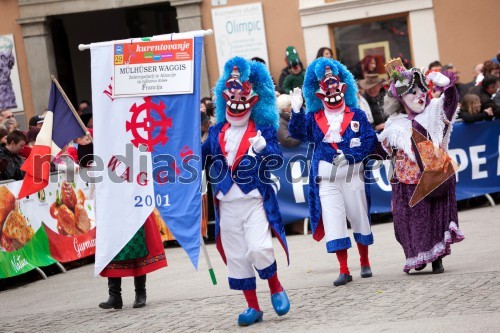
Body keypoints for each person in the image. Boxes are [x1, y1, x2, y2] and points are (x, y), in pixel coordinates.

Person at [203, 57, 290, 326]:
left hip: (254, 200)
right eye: (232, 93)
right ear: (223, 98)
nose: (237, 99)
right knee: (237, 256)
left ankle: (275, 286)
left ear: (255, 99)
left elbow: (276, 159)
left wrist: (264, 147)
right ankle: (253, 307)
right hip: (226, 203)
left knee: (259, 248)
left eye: (244, 93)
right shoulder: (216, 130)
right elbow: (200, 157)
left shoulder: (262, 128)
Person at [289, 58, 377, 287]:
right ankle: (344, 269)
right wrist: (297, 110)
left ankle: (365, 261)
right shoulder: (313, 118)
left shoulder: (356, 115)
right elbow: (297, 133)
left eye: (335, 87)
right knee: (334, 220)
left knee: (358, 216)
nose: (332, 92)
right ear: (319, 94)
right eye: (326, 89)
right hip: (326, 178)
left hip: (352, 174)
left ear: (343, 88)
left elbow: (369, 140)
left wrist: (350, 154)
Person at [377, 58, 465, 274]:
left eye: (421, 89)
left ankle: (437, 259)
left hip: (433, 177)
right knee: (409, 222)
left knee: (435, 217)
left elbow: (450, 105)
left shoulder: (433, 111)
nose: (419, 95)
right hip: (406, 182)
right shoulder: (393, 124)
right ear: (400, 98)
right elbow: (384, 150)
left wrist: (448, 86)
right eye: (412, 92)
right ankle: (418, 255)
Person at [98, 213, 167, 309]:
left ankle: (140, 293)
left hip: (134, 209)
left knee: (137, 248)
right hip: (114, 211)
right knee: (112, 251)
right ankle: (114, 296)